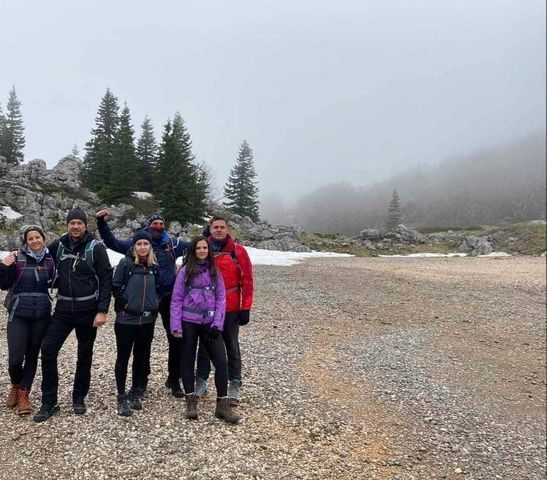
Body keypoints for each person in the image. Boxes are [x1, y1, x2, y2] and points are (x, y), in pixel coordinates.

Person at [95, 209, 189, 397]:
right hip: (146, 299)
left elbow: (196, 246)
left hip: (169, 297)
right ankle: (141, 381)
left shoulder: (173, 243)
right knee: (145, 342)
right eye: (155, 224)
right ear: (148, 225)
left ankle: (174, 379)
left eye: (161, 224)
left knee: (176, 338)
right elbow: (112, 243)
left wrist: (209, 232)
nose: (158, 227)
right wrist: (101, 224)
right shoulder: (138, 242)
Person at [33, 208, 112, 422]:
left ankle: (79, 397)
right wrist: (16, 257)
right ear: (67, 225)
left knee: (84, 354)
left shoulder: (96, 247)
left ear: (85, 225)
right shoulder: (58, 245)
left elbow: (106, 279)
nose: (75, 226)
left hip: (88, 310)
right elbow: (38, 257)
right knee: (48, 350)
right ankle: (49, 402)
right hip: (63, 309)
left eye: (79, 223)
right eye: (72, 223)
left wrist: (102, 310)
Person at [170, 236, 239, 424]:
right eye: (198, 248)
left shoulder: (215, 272)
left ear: (209, 250)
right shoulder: (184, 271)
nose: (201, 251)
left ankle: (222, 405)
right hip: (188, 322)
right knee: (187, 360)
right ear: (193, 251)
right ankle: (191, 403)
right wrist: (175, 325)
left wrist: (217, 324)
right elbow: (176, 299)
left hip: (209, 322)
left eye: (204, 248)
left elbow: (221, 299)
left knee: (221, 362)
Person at [195, 215, 254, 404]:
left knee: (231, 345)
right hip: (207, 307)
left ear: (227, 229)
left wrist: (246, 307)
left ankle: (234, 383)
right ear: (210, 229)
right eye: (215, 227)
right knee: (205, 345)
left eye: (222, 227)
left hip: (231, 306)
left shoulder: (238, 251)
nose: (219, 230)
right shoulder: (203, 249)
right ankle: (201, 380)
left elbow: (247, 280)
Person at [0, 225, 55, 415]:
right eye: (30, 238)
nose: (34, 241)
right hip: (18, 314)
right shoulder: (16, 258)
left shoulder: (50, 260)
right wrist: (3, 266)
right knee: (15, 360)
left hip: (41, 315)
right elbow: (3, 284)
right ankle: (16, 384)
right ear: (26, 242)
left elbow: (56, 282)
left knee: (32, 356)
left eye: (37, 237)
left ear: (43, 238)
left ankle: (24, 394)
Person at [112, 231, 159, 417]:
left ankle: (135, 391)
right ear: (134, 246)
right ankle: (121, 395)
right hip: (126, 320)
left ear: (150, 246)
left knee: (141, 357)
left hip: (147, 320)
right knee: (123, 357)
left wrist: (155, 303)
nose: (143, 247)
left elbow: (159, 288)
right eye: (139, 244)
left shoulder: (154, 266)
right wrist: (124, 303)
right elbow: (116, 286)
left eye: (146, 244)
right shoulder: (126, 263)